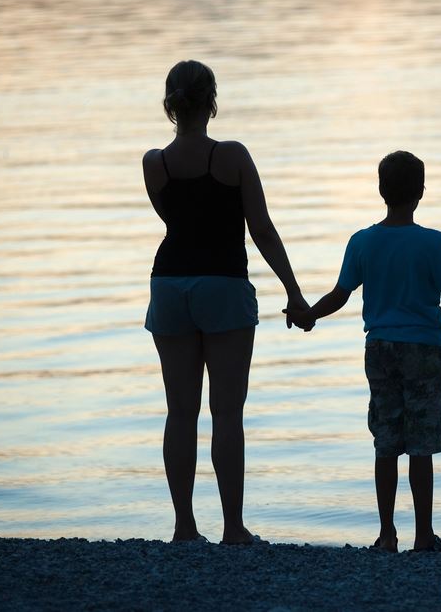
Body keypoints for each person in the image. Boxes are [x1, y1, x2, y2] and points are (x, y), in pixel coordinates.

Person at [285, 151, 441, 553]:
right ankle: (423, 536)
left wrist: (309, 315)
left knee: (386, 442)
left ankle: (387, 534)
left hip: (380, 348)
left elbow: (339, 295)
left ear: (381, 190)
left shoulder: (363, 242)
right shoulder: (433, 243)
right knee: (421, 446)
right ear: (421, 192)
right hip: (423, 349)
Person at [142, 60, 312, 544]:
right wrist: (294, 293)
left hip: (170, 284)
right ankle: (233, 528)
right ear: (212, 101)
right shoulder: (232, 156)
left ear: (170, 104)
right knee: (227, 412)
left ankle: (183, 527)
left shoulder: (154, 163)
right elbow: (260, 229)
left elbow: (174, 220)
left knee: (180, 412)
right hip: (223, 284)